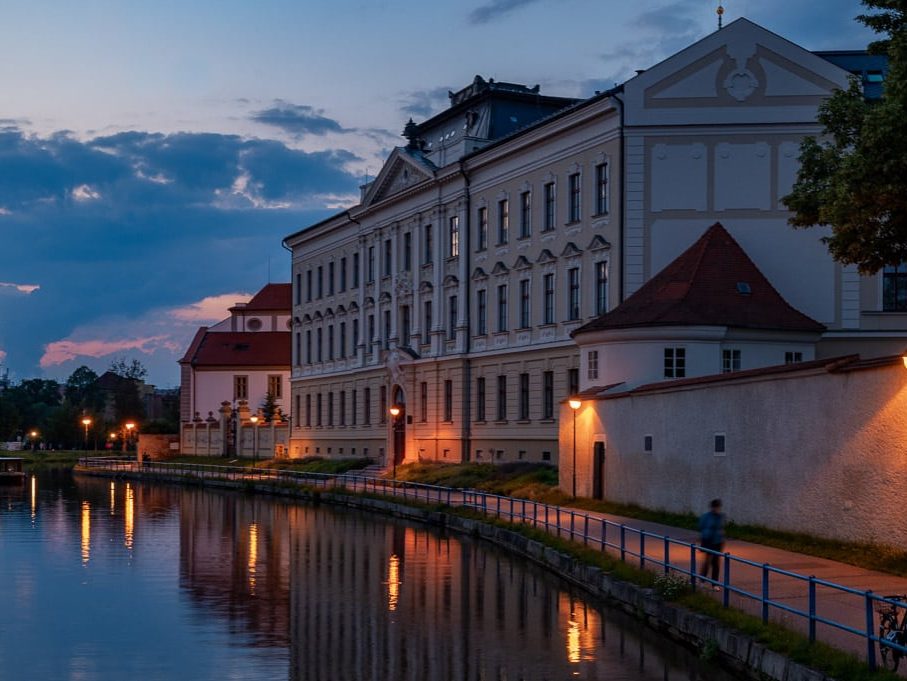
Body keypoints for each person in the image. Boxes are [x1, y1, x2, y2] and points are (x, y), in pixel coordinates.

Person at [699, 498, 726, 588]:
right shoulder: (706, 516)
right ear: (712, 507)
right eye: (715, 507)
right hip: (708, 540)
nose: (717, 509)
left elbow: (721, 527)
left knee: (715, 563)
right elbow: (701, 526)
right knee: (707, 561)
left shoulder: (721, 516)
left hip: (718, 542)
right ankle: (702, 580)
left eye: (718, 507)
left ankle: (714, 584)